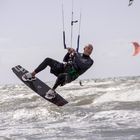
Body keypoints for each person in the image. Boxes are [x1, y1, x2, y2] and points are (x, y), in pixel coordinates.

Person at [22, 44, 94, 99]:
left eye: (91, 49)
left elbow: (82, 65)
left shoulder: (90, 61)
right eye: (88, 48)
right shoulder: (77, 54)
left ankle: (52, 91)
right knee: (48, 60)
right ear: (84, 48)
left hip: (71, 75)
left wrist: (75, 53)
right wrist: (69, 53)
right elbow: (65, 60)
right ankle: (32, 74)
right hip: (63, 68)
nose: (89, 50)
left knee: (61, 75)